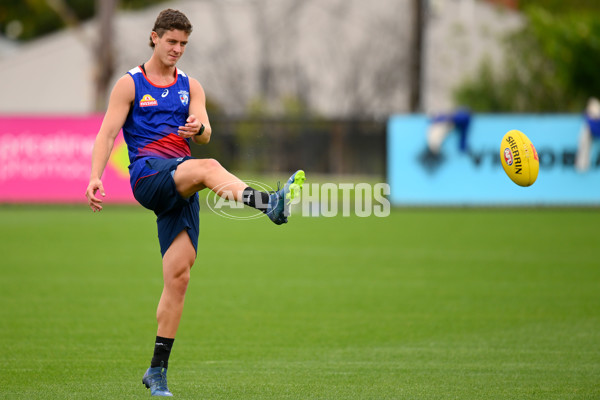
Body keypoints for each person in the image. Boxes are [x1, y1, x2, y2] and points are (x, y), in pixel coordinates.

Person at [85, 9, 305, 397]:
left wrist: (198, 128)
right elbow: (106, 135)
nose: (178, 50)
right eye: (172, 41)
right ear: (154, 38)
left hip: (182, 179)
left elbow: (204, 132)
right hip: (150, 175)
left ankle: (157, 372)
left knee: (179, 279)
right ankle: (270, 203)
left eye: (184, 44)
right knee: (209, 168)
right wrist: (95, 175)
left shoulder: (191, 86)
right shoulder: (130, 84)